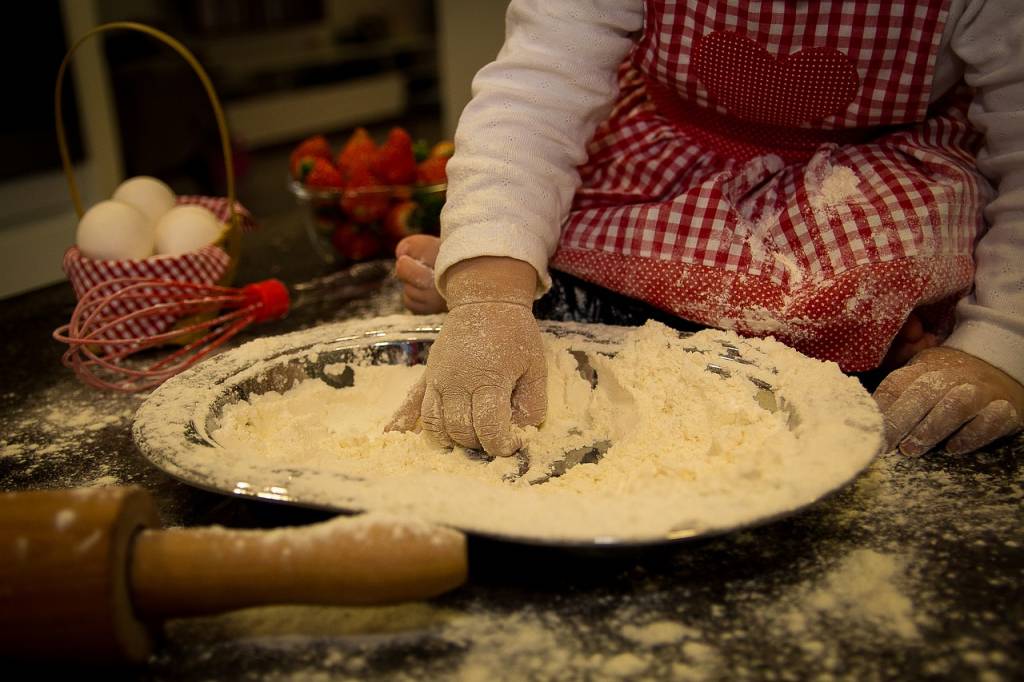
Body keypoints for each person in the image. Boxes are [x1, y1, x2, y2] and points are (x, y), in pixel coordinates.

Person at [388, 0, 1024, 460]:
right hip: (671, 164)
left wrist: (999, 342)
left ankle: (881, 334)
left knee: (857, 300)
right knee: (523, 242)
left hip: (865, 184)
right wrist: (488, 286)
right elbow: (536, 96)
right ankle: (527, 274)